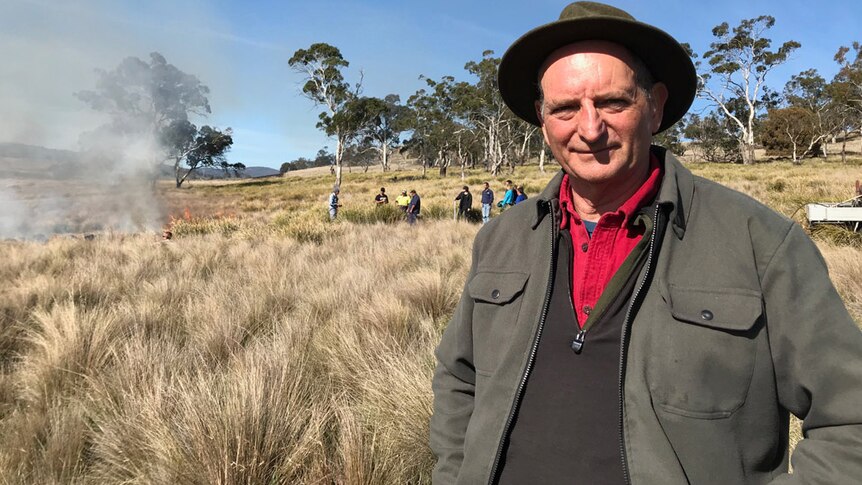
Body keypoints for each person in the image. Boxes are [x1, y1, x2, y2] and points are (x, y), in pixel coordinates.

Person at [430, 3, 862, 485]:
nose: (589, 128)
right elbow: (459, 377)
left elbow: (851, 418)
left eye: (613, 102)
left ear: (655, 105)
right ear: (542, 117)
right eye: (565, 108)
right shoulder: (501, 238)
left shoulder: (761, 243)